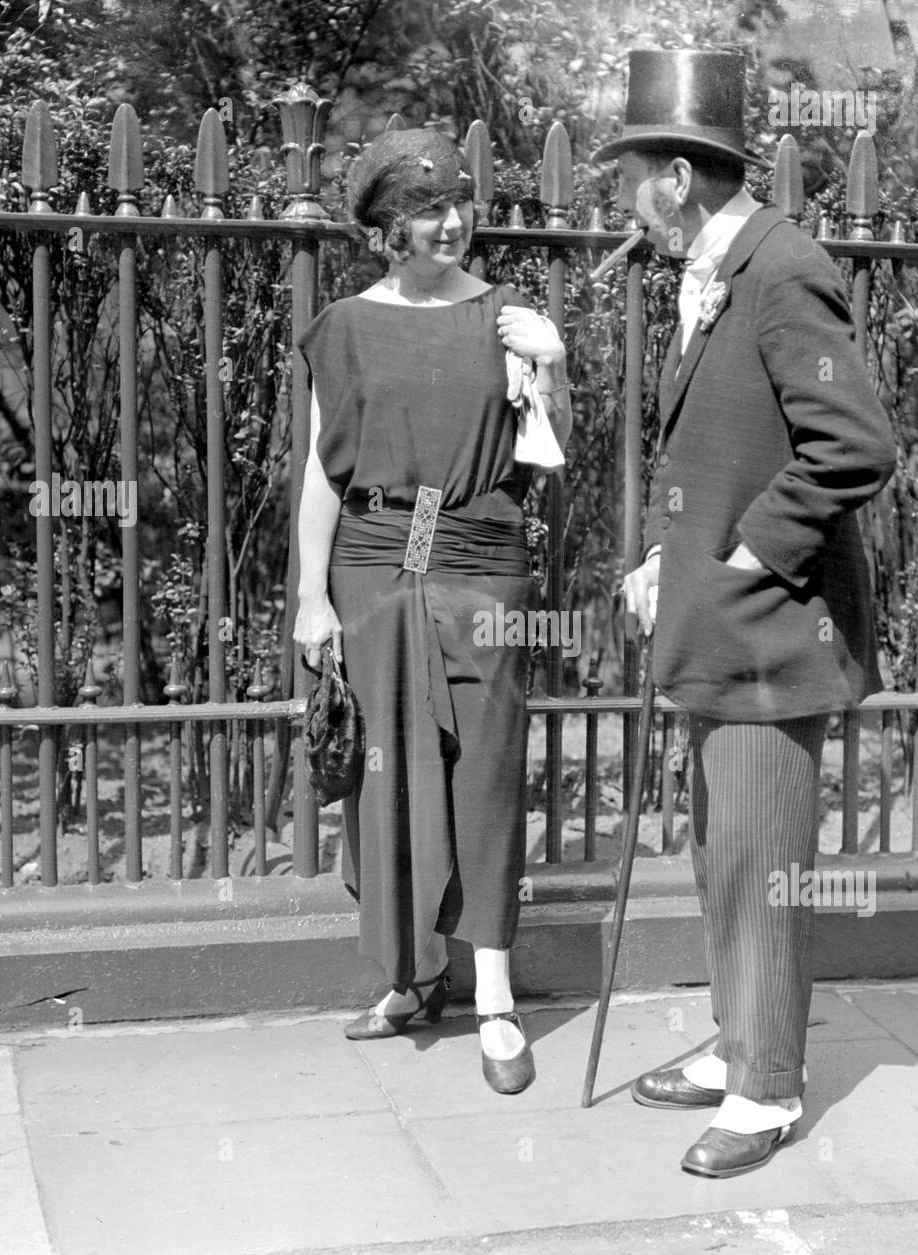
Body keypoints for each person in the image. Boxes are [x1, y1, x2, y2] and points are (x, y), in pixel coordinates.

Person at [597, 51, 896, 1175]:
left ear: (676, 178)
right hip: (719, 619)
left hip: (774, 626)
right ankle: (737, 1046)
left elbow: (853, 447)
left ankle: (766, 1089)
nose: (625, 197)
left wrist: (743, 553)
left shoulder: (780, 266)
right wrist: (660, 556)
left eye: (631, 174)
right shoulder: (717, 267)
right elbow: (710, 448)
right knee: (726, 854)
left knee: (764, 858)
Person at [292, 128, 571, 1094]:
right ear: (385, 228)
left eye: (459, 203)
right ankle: (412, 978)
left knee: (484, 773)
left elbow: (548, 457)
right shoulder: (343, 328)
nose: (450, 223)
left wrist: (552, 366)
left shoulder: (507, 318)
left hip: (481, 561)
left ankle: (494, 996)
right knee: (388, 775)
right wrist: (311, 597)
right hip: (373, 565)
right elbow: (321, 473)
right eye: (426, 211)